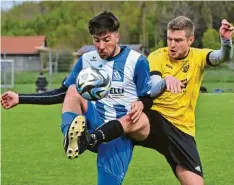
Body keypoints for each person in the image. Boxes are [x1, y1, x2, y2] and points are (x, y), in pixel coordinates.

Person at [77, 16, 233, 185]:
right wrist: (166, 82)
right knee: (133, 118)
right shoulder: (157, 56)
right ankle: (90, 139)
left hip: (182, 131)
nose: (172, 44)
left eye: (178, 40)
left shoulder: (198, 57)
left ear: (191, 40)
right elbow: (153, 85)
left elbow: (220, 57)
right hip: (156, 119)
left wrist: (226, 41)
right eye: (170, 39)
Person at [1, 11, 152, 185]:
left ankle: (82, 139)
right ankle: (72, 138)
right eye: (96, 40)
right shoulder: (86, 60)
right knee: (73, 89)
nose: (101, 46)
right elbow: (61, 93)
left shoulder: (137, 61)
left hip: (119, 132)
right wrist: (20, 98)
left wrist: (141, 104)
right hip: (95, 120)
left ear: (117, 37)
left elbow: (147, 98)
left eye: (106, 40)